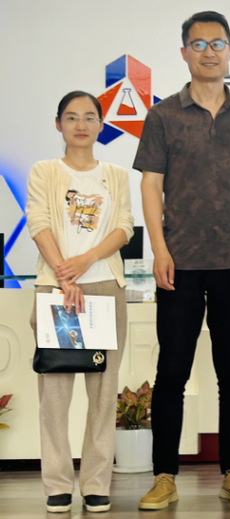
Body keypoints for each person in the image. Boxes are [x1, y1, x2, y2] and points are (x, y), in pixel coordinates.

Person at [134, 11, 230, 509]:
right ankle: (164, 476)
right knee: (172, 372)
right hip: (181, 263)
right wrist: (159, 248)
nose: (209, 52)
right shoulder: (163, 116)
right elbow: (150, 184)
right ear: (184, 53)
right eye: (199, 44)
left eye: (217, 43)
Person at [25, 91, 134, 513]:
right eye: (71, 117)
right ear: (58, 124)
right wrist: (64, 275)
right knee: (54, 392)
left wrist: (85, 262)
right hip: (56, 290)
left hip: (105, 287)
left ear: (102, 125)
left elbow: (124, 226)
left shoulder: (116, 174)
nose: (81, 125)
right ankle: (56, 483)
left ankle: (95, 483)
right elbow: (39, 222)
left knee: (103, 394)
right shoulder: (45, 171)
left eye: (90, 117)